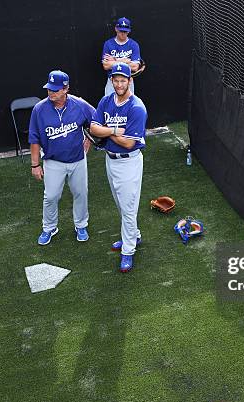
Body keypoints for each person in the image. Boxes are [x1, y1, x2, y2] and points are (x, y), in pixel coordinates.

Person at [90, 62, 147, 272]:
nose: (120, 83)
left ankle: (128, 251)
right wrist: (115, 130)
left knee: (128, 208)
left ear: (130, 81)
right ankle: (134, 235)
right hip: (110, 160)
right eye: (116, 80)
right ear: (112, 81)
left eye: (123, 80)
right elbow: (94, 128)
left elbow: (129, 142)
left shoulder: (137, 108)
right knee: (121, 204)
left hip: (129, 161)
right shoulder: (106, 101)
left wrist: (107, 131)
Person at [29, 70, 95, 245]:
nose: (51, 92)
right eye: (49, 89)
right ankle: (49, 227)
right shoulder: (39, 109)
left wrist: (88, 138)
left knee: (81, 193)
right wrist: (35, 165)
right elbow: (34, 138)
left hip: (78, 160)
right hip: (52, 161)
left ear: (66, 89)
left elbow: (95, 122)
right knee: (50, 196)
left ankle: (81, 225)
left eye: (55, 89)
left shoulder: (79, 105)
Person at [101, 17, 142, 96]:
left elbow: (135, 67)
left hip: (127, 81)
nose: (123, 33)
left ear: (128, 31)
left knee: (128, 107)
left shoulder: (133, 44)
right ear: (116, 29)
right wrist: (125, 60)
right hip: (112, 80)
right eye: (121, 31)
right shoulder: (108, 44)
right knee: (110, 106)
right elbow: (106, 66)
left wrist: (114, 60)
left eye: (125, 31)